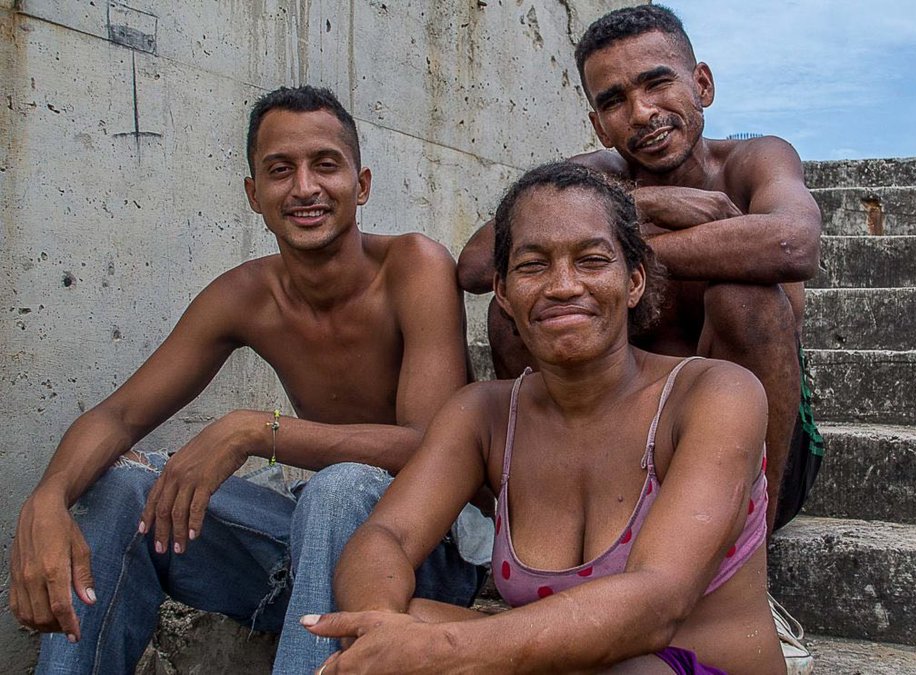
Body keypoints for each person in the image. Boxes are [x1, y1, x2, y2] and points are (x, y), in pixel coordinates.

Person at [9, 86, 488, 675]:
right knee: (120, 486)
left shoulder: (414, 267)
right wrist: (49, 498)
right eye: (280, 171)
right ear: (253, 195)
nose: (305, 188)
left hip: (426, 553)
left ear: (361, 186)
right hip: (309, 540)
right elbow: (119, 416)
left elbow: (430, 445)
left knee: (339, 489)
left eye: (326, 165)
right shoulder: (244, 296)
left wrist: (258, 430)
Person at [304, 161, 784, 674]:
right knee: (410, 619)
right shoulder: (483, 414)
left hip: (686, 669)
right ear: (505, 293)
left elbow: (656, 603)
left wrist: (436, 651)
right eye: (533, 265)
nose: (562, 285)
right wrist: (380, 627)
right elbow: (386, 537)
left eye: (592, 261)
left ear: (635, 280)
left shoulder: (713, 394)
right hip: (557, 666)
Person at [455, 7, 822, 670]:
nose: (644, 112)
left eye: (659, 84)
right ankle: (550, 537)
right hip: (613, 452)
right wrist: (636, 209)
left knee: (746, 296)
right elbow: (480, 264)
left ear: (701, 84)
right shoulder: (594, 178)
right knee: (514, 309)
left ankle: (748, 579)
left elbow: (793, 241)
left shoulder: (754, 163)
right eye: (616, 100)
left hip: (749, 457)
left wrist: (621, 248)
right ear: (598, 122)